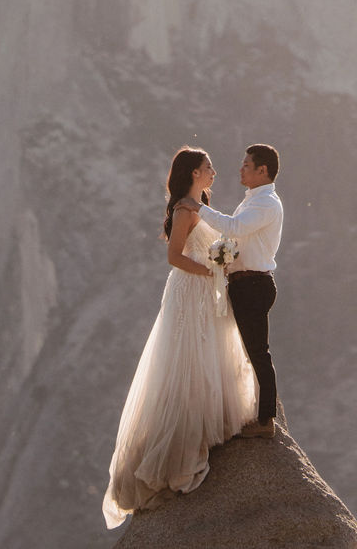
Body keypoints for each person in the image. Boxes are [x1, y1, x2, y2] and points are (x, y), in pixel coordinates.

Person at [102, 147, 256, 529]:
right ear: (193, 172)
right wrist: (209, 269)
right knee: (188, 356)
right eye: (208, 168)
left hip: (205, 288)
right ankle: (181, 444)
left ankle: (207, 421)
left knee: (209, 351)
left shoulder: (199, 205)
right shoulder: (185, 209)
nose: (214, 172)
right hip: (190, 289)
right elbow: (174, 256)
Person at [196, 143, 283, 439]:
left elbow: (233, 228)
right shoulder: (252, 201)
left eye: (247, 165)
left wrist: (197, 207)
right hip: (243, 283)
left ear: (263, 170)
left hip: (254, 284)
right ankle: (252, 409)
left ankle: (266, 419)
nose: (240, 169)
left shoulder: (267, 203)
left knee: (258, 351)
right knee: (243, 349)